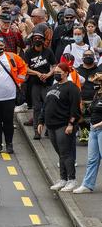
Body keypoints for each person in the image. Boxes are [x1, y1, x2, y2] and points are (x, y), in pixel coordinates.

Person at [38, 63, 81, 192]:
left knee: (66, 153)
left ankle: (72, 180)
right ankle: (63, 179)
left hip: (64, 125)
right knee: (60, 154)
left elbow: (75, 109)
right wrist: (41, 121)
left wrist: (71, 124)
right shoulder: (54, 86)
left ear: (66, 73)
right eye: (55, 72)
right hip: (51, 126)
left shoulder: (72, 88)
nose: (56, 74)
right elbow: (45, 105)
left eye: (59, 72)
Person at [24, 30, 56, 139]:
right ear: (32, 41)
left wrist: (48, 74)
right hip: (34, 84)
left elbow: (55, 65)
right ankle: (37, 131)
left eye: (40, 38)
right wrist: (37, 73)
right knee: (37, 108)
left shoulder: (48, 51)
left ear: (43, 40)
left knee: (49, 106)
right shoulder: (28, 52)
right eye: (35, 38)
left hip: (47, 83)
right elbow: (25, 68)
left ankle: (49, 129)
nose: (37, 40)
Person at [74, 80, 102, 193]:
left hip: (100, 128)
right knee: (92, 159)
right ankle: (87, 185)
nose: (97, 84)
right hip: (93, 129)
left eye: (99, 81)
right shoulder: (98, 94)